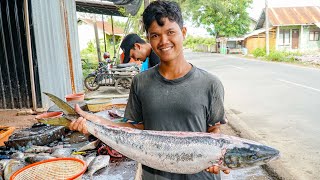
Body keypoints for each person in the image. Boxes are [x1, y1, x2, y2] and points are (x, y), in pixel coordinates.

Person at [70, 1, 229, 179]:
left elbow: (215, 130)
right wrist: (95, 122)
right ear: (148, 38)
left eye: (170, 32)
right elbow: (132, 129)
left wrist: (218, 158)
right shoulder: (140, 82)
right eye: (155, 35)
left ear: (183, 33)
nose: (163, 41)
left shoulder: (211, 84)